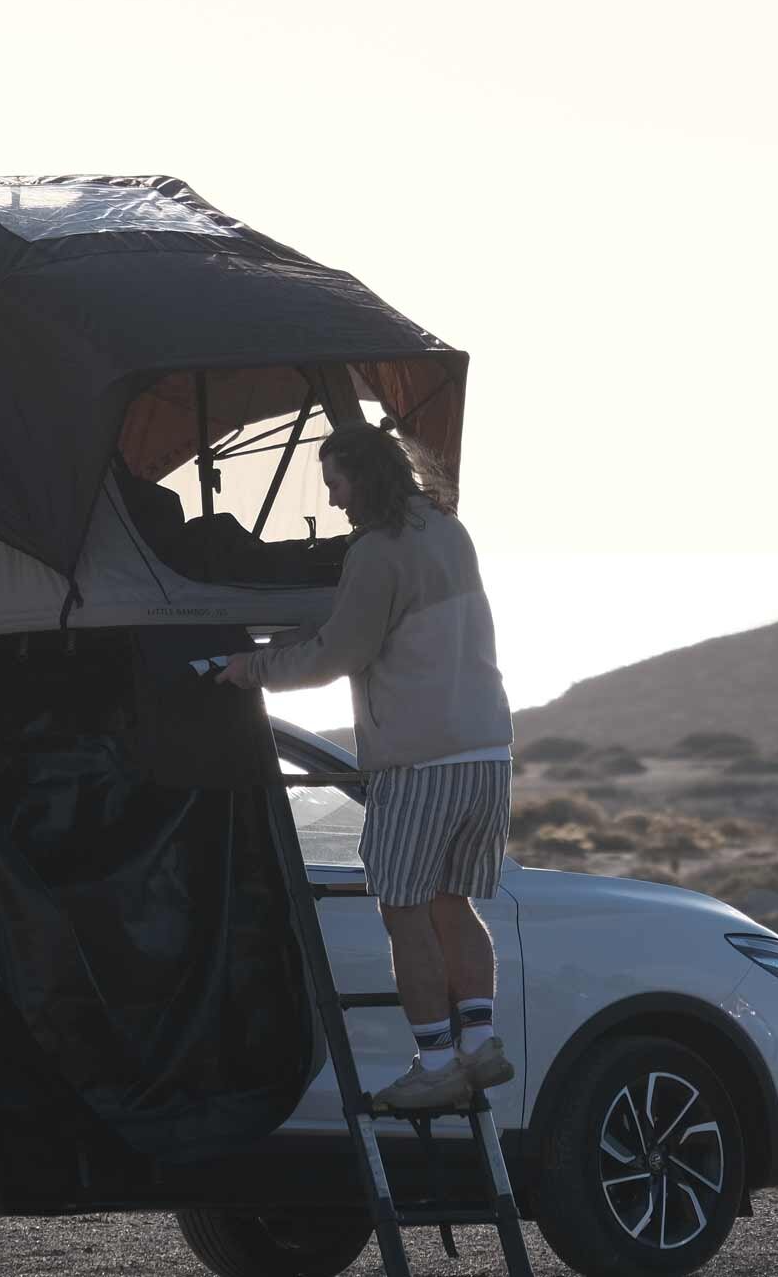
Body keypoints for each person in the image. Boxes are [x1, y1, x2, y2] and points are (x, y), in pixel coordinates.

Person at [217, 420, 514, 1111]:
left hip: (419, 761)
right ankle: (479, 1044)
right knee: (453, 901)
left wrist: (250, 668)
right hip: (487, 752)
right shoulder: (449, 531)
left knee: (403, 909)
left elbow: (338, 656)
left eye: (336, 482)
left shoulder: (377, 552)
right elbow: (370, 625)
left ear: (364, 476)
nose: (334, 499)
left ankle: (435, 1063)